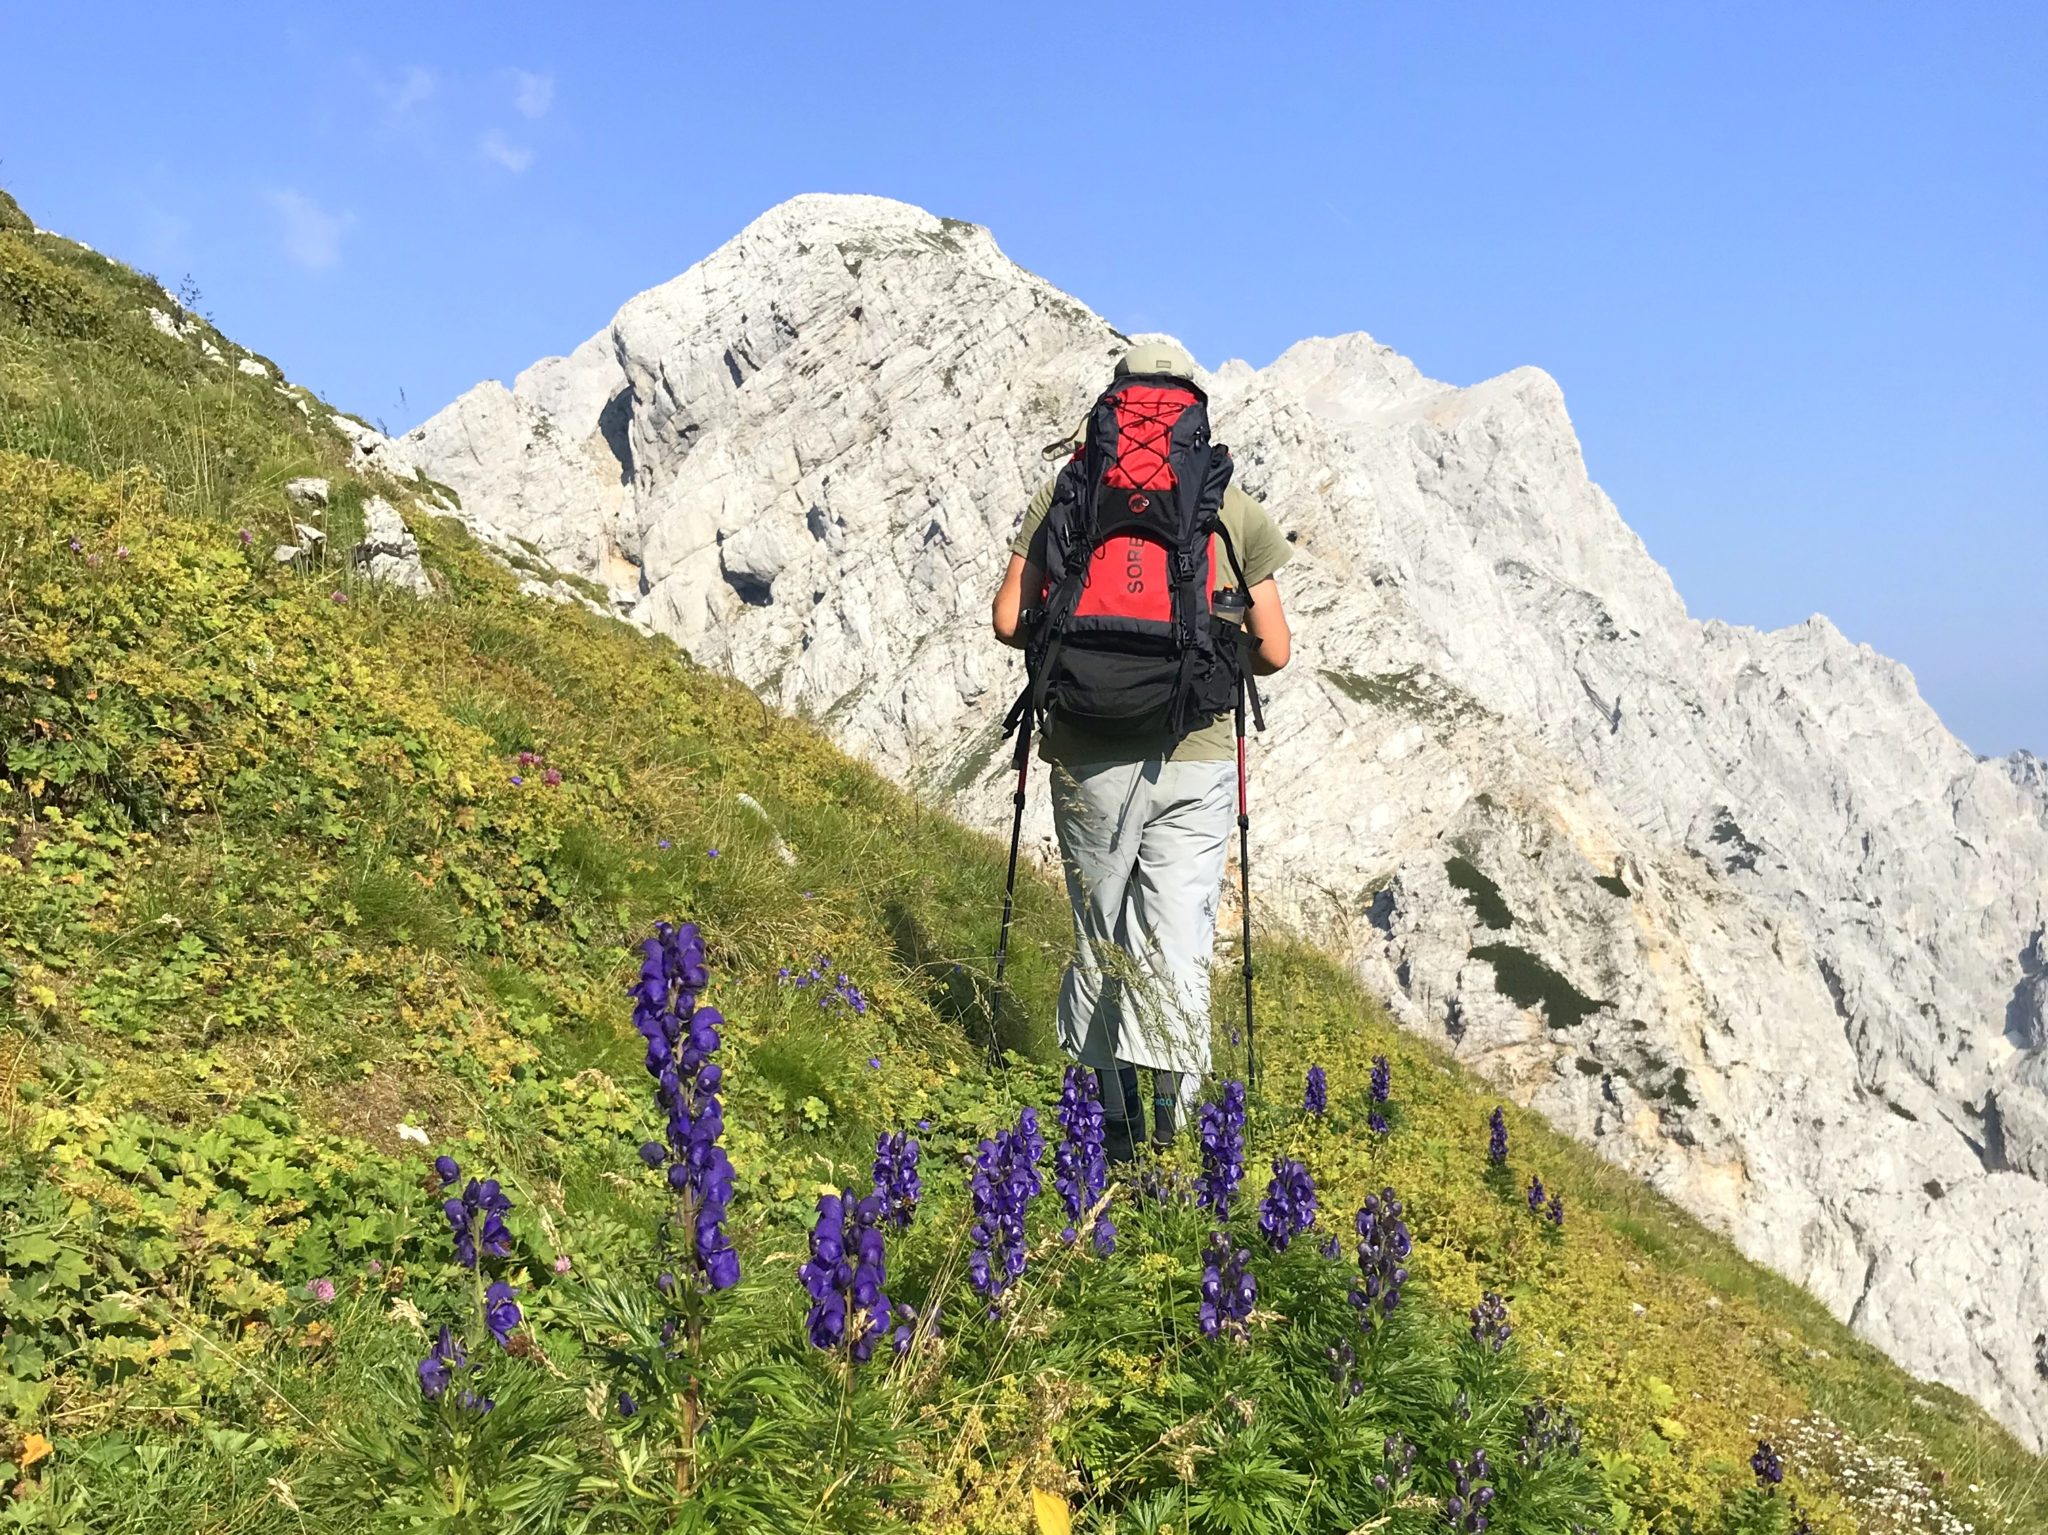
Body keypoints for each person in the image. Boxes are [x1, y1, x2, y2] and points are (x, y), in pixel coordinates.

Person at [991, 341, 1292, 1160]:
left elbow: (1008, 620)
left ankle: (1102, 1124)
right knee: (1178, 938)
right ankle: (1178, 1131)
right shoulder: (1230, 504)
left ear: (1114, 403)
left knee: (1099, 931)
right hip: (1191, 754)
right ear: (1191, 406)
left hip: (1086, 747)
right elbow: (1275, 650)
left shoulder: (1067, 492)